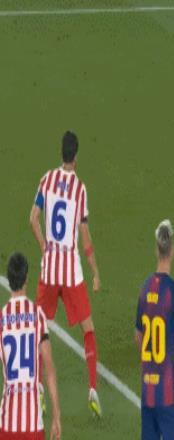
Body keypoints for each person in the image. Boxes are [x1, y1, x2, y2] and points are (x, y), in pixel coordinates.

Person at [29, 131, 102, 416]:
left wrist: (44, 247)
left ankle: (38, 388)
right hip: (71, 272)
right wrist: (95, 272)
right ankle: (92, 389)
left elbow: (33, 219)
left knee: (39, 328)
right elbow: (84, 235)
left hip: (49, 271)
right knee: (88, 329)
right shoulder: (80, 189)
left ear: (61, 152)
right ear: (76, 156)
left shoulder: (46, 180)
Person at [135, 219, 174, 440]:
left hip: (147, 390)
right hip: (166, 392)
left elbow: (138, 336)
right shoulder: (173, 292)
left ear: (156, 250)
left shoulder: (144, 289)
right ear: (172, 251)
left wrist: (146, 363)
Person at [0, 253, 61, 440]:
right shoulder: (37, 315)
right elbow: (49, 369)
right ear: (26, 278)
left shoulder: (2, 319)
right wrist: (56, 416)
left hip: (7, 423)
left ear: (9, 279)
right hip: (33, 423)